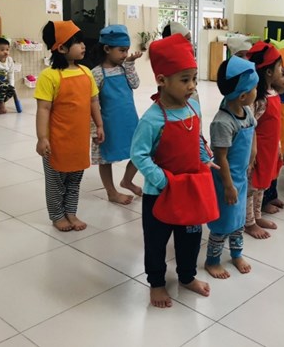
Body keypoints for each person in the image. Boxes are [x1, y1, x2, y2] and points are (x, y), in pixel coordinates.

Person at [130, 33, 217, 308]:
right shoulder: (152, 118)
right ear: (161, 80)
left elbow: (198, 138)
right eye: (184, 80)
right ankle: (157, 283)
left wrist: (205, 158)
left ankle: (187, 276)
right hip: (160, 192)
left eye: (194, 78)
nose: (192, 86)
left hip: (190, 188)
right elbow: (138, 154)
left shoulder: (194, 107)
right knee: (157, 241)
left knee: (191, 237)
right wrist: (161, 180)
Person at [35, 21, 104, 232]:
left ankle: (71, 212)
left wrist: (99, 125)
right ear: (62, 48)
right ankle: (57, 215)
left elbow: (93, 101)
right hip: (56, 141)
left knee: (75, 178)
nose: (83, 46)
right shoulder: (49, 76)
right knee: (56, 181)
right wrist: (42, 138)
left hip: (79, 138)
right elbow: (43, 109)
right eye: (77, 42)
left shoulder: (86, 72)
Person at [205, 56, 258, 279]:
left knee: (238, 220)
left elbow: (253, 131)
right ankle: (212, 260)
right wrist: (228, 186)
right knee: (223, 222)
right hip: (225, 181)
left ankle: (236, 254)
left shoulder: (247, 112)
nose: (257, 91)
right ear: (243, 95)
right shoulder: (222, 122)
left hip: (241, 177)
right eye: (254, 88)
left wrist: (253, 154)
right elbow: (221, 157)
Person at [90, 25, 143, 205]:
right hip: (108, 125)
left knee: (139, 151)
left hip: (129, 121)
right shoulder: (96, 74)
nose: (125, 54)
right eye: (122, 50)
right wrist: (96, 128)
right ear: (107, 49)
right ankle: (111, 192)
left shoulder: (124, 68)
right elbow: (92, 103)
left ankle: (127, 180)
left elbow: (135, 84)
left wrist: (130, 64)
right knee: (105, 158)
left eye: (127, 50)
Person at [245, 41, 282, 239]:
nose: (282, 71)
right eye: (279, 67)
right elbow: (250, 126)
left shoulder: (273, 93)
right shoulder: (258, 99)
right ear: (268, 72)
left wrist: (278, 146)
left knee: (261, 185)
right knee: (251, 187)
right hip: (257, 151)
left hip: (269, 149)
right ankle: (249, 222)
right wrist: (252, 152)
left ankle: (257, 216)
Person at [262, 41, 284, 214]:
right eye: (282, 73)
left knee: (277, 166)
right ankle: (264, 200)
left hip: (280, 137)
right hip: (270, 139)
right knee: (268, 168)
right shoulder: (267, 95)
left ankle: (272, 194)